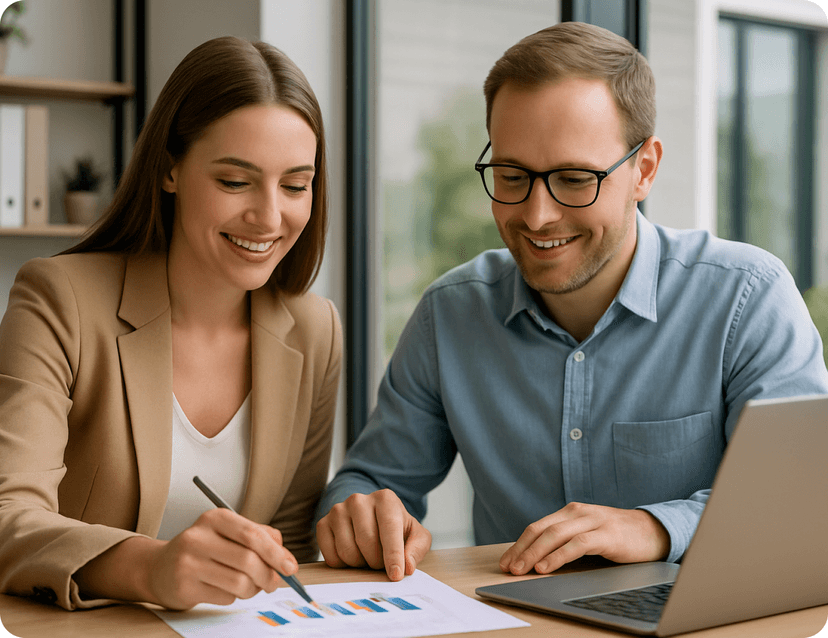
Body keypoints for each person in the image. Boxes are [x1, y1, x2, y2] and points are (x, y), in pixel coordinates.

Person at [316, 22, 828, 583]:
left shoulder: (746, 297)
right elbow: (368, 484)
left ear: (645, 170)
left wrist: (655, 529)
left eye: (574, 178)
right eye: (512, 176)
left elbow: (805, 505)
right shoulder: (450, 315)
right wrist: (363, 515)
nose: (536, 216)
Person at [0, 36, 341, 611]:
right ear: (169, 171)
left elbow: (291, 542)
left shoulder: (314, 329)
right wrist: (151, 569)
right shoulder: (60, 299)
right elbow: (7, 516)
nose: (268, 216)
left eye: (295, 185)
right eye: (235, 181)